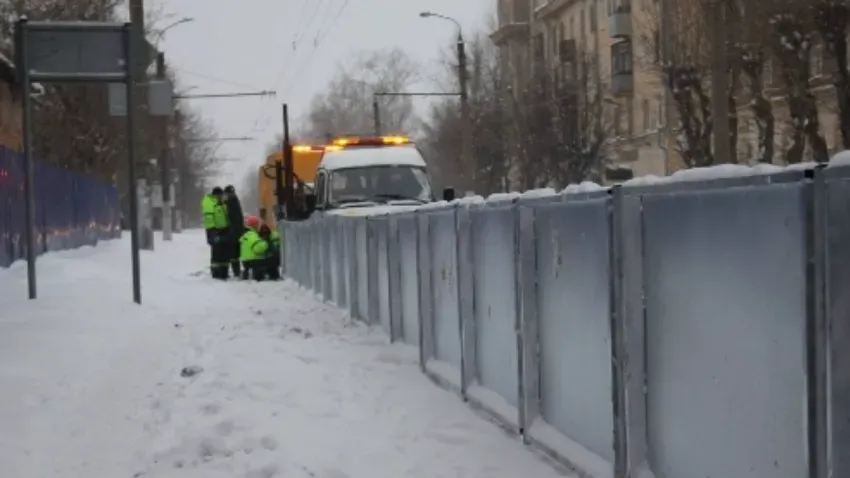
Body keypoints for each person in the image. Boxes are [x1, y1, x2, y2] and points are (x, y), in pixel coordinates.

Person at [201, 186, 230, 279]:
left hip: (223, 229)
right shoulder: (209, 203)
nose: (221, 197)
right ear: (216, 195)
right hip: (214, 230)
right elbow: (209, 218)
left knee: (224, 252)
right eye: (220, 195)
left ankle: (224, 272)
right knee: (216, 252)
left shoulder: (220, 202)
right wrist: (213, 233)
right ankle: (216, 273)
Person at [223, 185, 245, 277]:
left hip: (234, 231)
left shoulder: (230, 203)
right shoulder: (234, 201)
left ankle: (236, 271)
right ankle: (237, 271)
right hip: (237, 230)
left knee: (234, 253)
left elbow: (233, 218)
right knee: (235, 253)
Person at [240, 216, 270, 280]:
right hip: (255, 260)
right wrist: (266, 243)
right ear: (255, 225)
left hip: (246, 260)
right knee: (271, 259)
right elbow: (257, 248)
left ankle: (246, 275)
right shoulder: (253, 235)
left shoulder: (246, 234)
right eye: (258, 224)